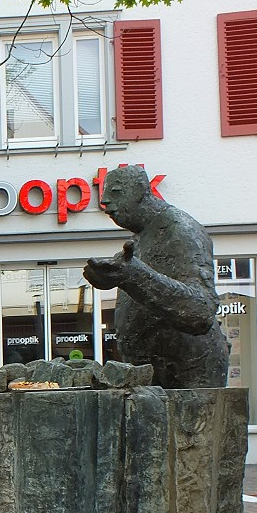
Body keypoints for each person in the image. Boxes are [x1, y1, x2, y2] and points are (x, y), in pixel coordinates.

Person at [83, 165, 229, 388]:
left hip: (186, 381)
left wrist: (132, 276)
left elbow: (200, 312)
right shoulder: (143, 237)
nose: (104, 201)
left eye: (116, 192)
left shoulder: (180, 229)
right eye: (105, 193)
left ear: (141, 191)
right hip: (159, 380)